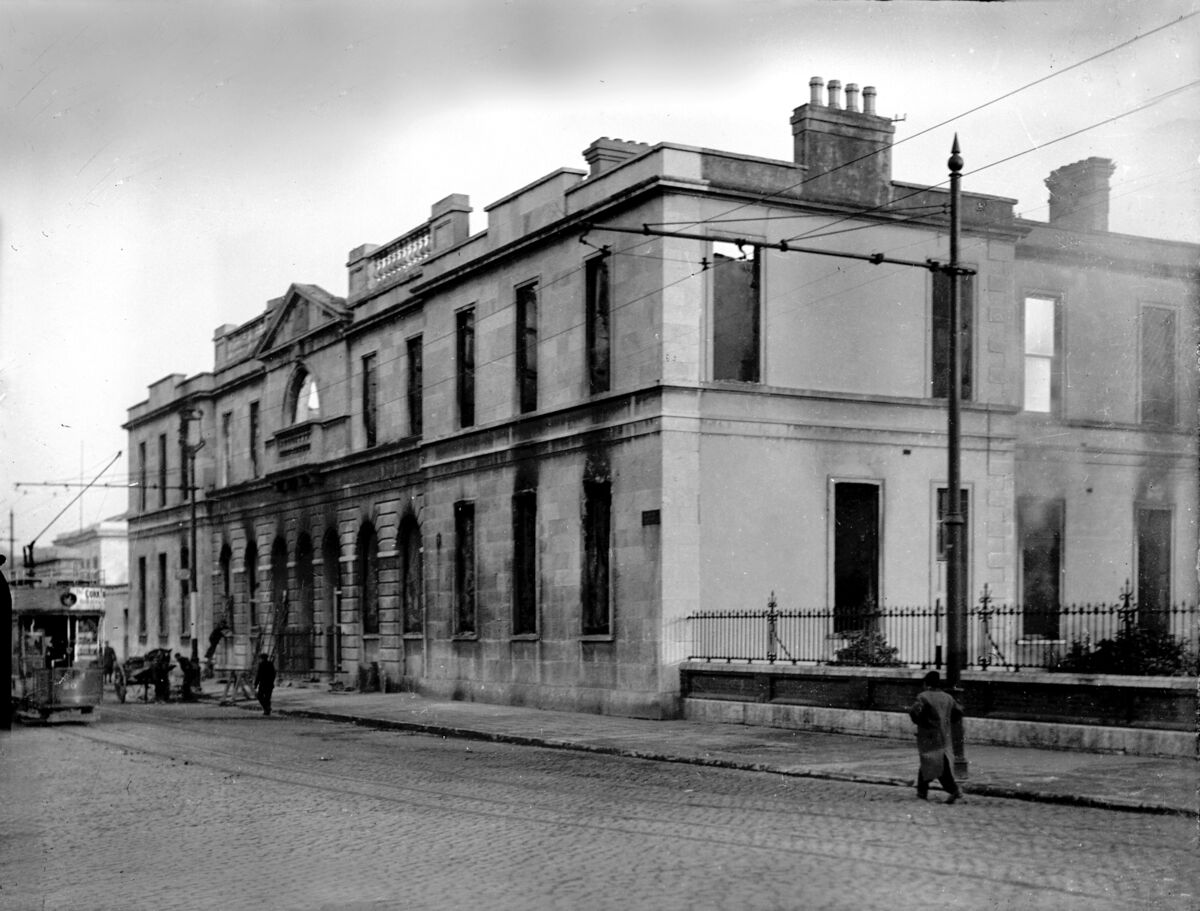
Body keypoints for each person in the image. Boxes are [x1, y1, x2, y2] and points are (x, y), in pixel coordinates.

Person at [907, 670, 965, 804]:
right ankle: (922, 792)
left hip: (928, 736)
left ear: (927, 683)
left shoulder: (923, 696)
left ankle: (953, 790)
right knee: (930, 762)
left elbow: (914, 713)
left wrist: (922, 723)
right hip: (943, 735)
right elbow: (958, 712)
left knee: (934, 763)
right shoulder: (948, 697)